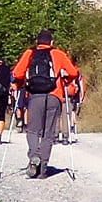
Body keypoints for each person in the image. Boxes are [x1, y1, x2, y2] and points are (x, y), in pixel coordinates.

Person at [13, 30, 81, 179]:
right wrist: (65, 78)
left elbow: (17, 73)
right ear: (52, 42)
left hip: (35, 95)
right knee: (48, 133)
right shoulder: (58, 53)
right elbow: (74, 72)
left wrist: (20, 83)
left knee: (32, 130)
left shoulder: (29, 53)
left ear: (37, 41)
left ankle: (34, 156)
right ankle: (43, 170)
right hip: (54, 96)